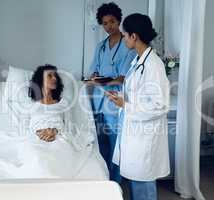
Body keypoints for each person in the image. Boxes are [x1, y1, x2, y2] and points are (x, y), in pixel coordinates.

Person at [105, 14, 170, 200]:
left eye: (125, 35)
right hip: (135, 129)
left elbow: (159, 105)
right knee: (136, 180)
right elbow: (139, 93)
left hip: (144, 134)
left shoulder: (153, 65)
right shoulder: (138, 61)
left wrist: (125, 104)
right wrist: (122, 98)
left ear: (134, 36)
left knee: (143, 182)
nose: (123, 39)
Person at [86, 2, 136, 182]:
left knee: (116, 144)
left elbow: (123, 77)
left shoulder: (128, 44)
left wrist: (101, 81)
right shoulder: (101, 46)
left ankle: (116, 183)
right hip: (99, 99)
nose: (109, 26)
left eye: (112, 22)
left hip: (115, 99)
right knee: (100, 143)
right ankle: (103, 179)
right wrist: (93, 77)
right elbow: (94, 70)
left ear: (119, 21)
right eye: (105, 23)